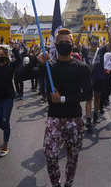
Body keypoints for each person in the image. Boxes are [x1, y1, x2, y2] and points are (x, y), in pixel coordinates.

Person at [37, 28, 92, 187]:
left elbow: (87, 94)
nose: (64, 44)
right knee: (50, 155)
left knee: (72, 156)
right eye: (61, 42)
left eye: (67, 42)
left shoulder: (81, 68)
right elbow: (21, 75)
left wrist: (62, 98)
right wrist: (37, 61)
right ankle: (56, 183)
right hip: (54, 118)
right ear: (55, 44)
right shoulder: (50, 67)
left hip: (74, 118)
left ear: (73, 44)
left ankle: (69, 182)